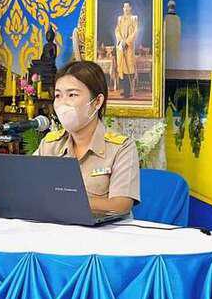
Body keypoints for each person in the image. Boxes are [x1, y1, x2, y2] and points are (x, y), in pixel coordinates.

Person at [35, 60, 139, 215]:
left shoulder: (121, 147)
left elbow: (121, 204)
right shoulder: (50, 144)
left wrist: (66, 200)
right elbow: (29, 187)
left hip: (103, 228)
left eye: (72, 95)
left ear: (97, 102)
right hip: (56, 225)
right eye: (58, 95)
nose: (63, 104)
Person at [114, 1, 138, 98]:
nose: (126, 9)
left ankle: (129, 91)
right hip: (121, 47)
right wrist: (121, 41)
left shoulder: (134, 18)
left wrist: (127, 42)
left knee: (129, 68)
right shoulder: (120, 19)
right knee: (122, 68)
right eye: (124, 7)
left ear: (130, 8)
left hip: (129, 47)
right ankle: (125, 90)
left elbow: (135, 32)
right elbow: (117, 31)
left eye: (127, 7)